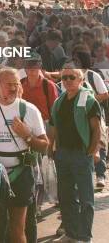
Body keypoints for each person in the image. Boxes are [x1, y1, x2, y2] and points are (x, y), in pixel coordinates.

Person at [0, 68, 48, 243]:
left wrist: (27, 135)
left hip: (20, 173)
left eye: (16, 84)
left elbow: (44, 146)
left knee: (17, 228)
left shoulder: (29, 109)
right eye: (9, 85)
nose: (13, 88)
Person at [49, 66, 101, 243]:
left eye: (72, 77)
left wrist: (91, 151)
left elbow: (96, 129)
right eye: (64, 78)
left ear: (80, 80)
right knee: (66, 197)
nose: (68, 81)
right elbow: (54, 127)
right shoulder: (59, 101)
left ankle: (85, 236)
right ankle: (71, 233)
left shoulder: (88, 99)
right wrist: (50, 150)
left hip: (81, 154)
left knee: (86, 198)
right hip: (62, 154)